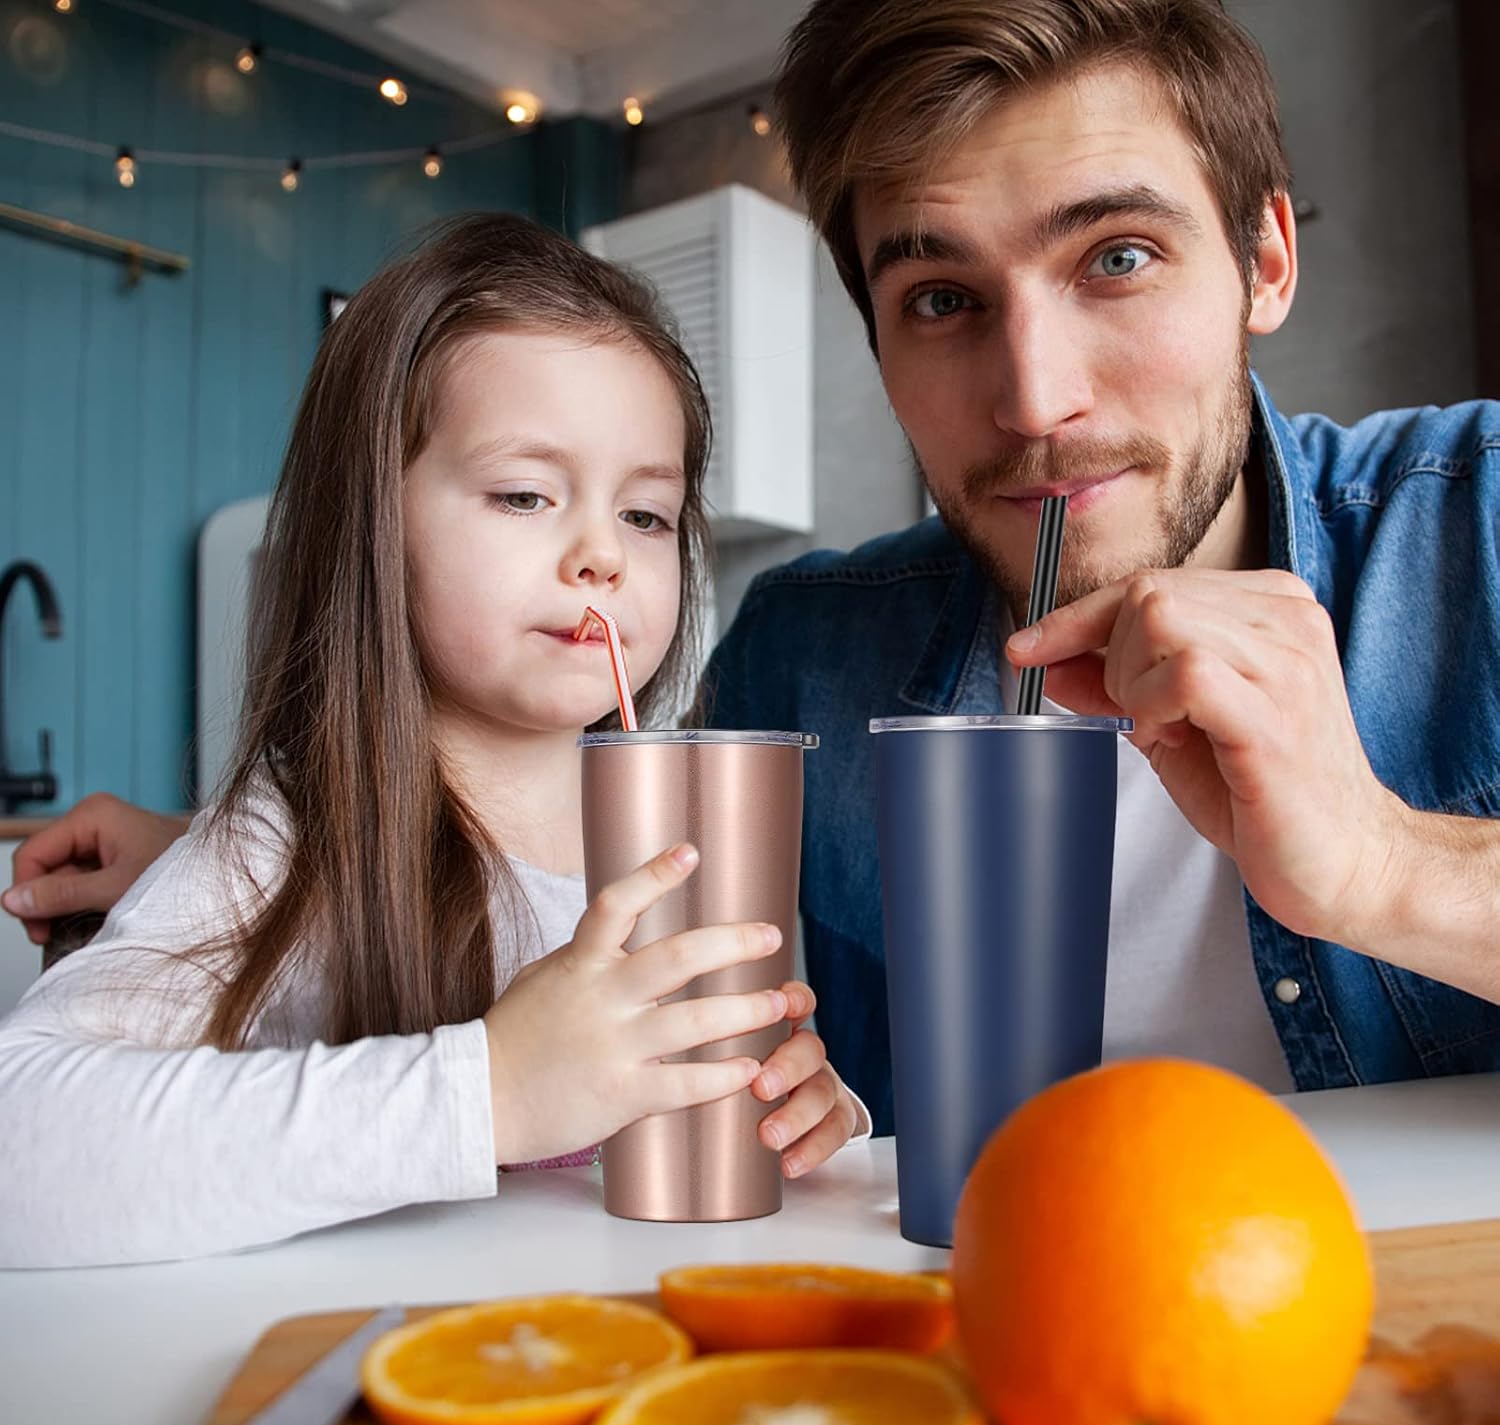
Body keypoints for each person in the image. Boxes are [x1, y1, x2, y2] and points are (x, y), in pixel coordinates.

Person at [11, 0, 1499, 1138]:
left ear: (1266, 258)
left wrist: (1383, 867)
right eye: (939, 297)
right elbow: (600, 921)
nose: (1035, 397)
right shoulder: (800, 657)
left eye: (1116, 256)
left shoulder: (1477, 522)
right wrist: (279, 859)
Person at [0, 214, 863, 1270]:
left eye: (646, 515)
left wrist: (812, 1114)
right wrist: (491, 1091)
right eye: (523, 495)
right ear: (374, 525)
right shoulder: (294, 847)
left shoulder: (690, 837)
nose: (601, 555)